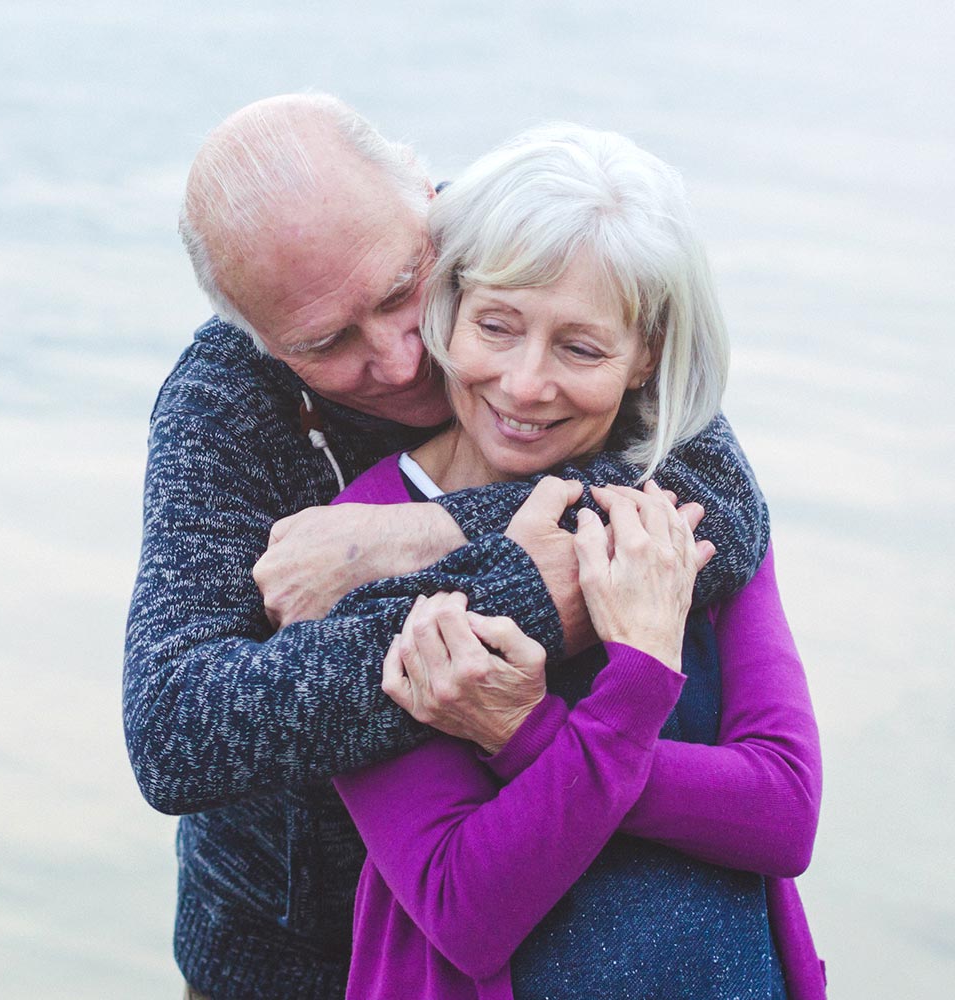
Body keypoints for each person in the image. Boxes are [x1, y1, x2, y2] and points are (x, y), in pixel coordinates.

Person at [123, 94, 771, 999]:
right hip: (289, 955)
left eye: (400, 293)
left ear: (429, 203)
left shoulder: (530, 249)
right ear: (259, 339)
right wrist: (529, 588)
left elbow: (724, 509)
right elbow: (178, 730)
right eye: (326, 342)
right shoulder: (224, 400)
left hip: (574, 934)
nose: (396, 359)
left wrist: (422, 533)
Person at [325, 125, 825, 998]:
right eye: (497, 325)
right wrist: (632, 694)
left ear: (648, 356)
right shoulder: (360, 538)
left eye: (581, 348)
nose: (524, 384)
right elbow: (463, 904)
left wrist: (530, 736)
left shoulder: (689, 508)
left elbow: (783, 812)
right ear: (446, 308)